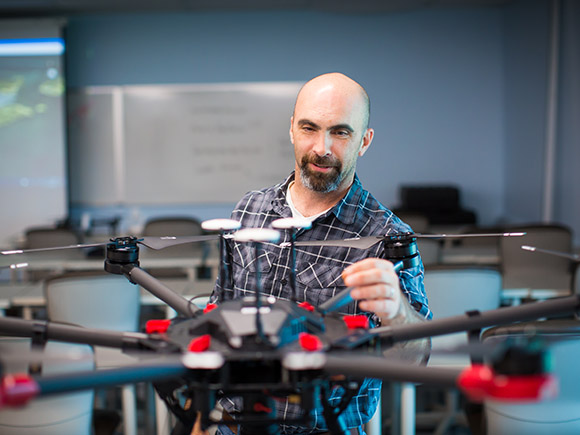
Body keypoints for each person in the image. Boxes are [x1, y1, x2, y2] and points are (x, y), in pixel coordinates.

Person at [208, 72, 431, 434]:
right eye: (310, 128)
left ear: (364, 141)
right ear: (292, 129)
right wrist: (203, 417)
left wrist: (397, 315)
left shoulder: (389, 237)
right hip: (233, 426)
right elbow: (217, 316)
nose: (322, 148)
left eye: (340, 132)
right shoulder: (249, 209)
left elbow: (416, 362)